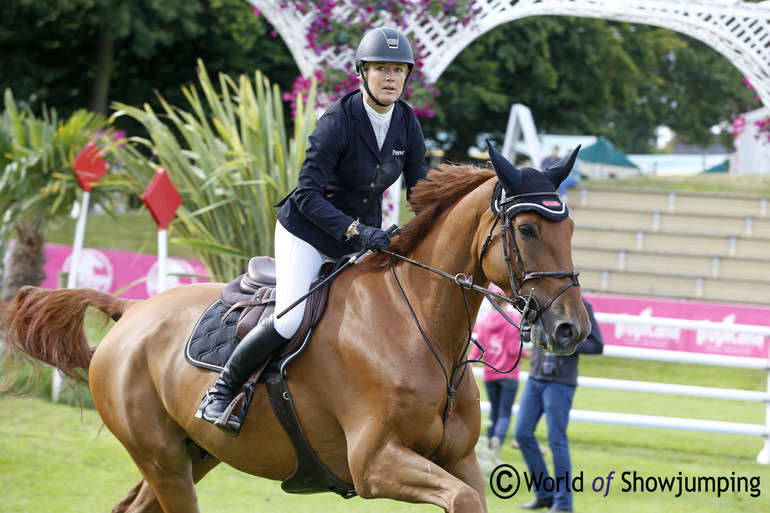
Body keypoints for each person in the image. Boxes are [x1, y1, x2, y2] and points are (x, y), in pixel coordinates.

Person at [197, 27, 429, 435]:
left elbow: (421, 189)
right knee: (290, 320)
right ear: (362, 73)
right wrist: (358, 232)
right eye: (381, 69)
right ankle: (222, 389)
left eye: (398, 69)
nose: (390, 77)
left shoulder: (407, 121)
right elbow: (306, 195)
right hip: (306, 230)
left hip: (364, 235)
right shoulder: (337, 121)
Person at [515, 298, 603, 513]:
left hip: (561, 381)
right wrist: (526, 331)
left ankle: (564, 504)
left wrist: (567, 340)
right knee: (522, 433)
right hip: (536, 377)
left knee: (556, 440)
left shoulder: (581, 306)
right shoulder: (539, 303)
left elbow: (596, 345)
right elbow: (526, 333)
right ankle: (545, 494)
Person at [469, 289, 525, 459]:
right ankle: (497, 441)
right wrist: (527, 354)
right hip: (508, 374)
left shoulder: (485, 322)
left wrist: (470, 362)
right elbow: (514, 350)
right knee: (504, 412)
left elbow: (477, 350)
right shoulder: (512, 320)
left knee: (493, 410)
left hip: (490, 375)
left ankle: (488, 443)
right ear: (506, 301)